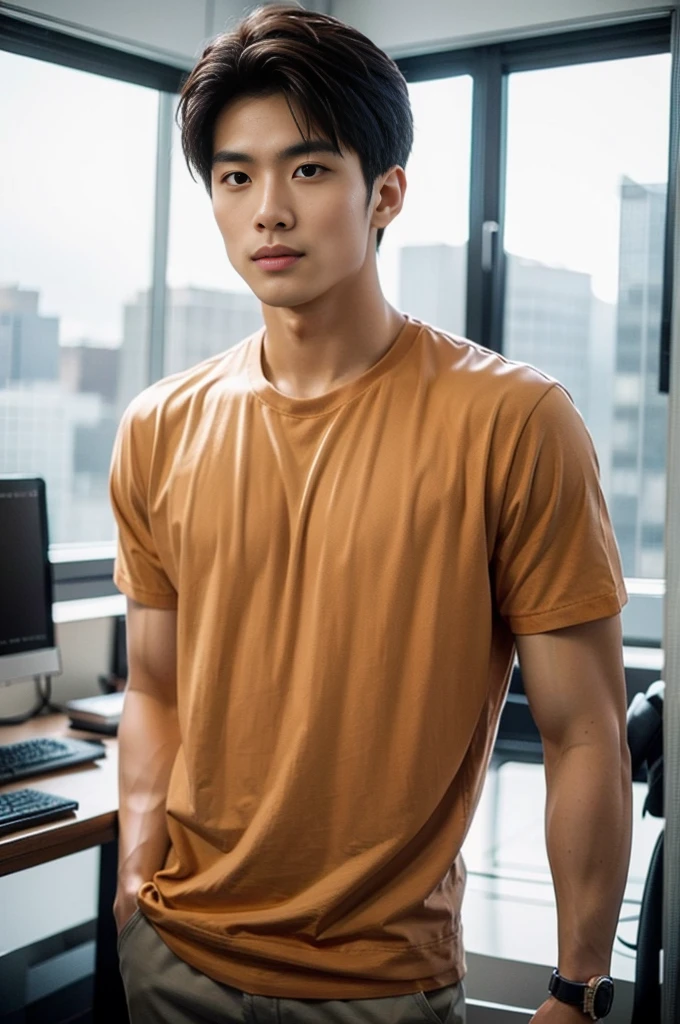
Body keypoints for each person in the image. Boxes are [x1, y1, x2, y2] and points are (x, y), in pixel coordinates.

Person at [109, 5, 633, 1023]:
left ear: (383, 191)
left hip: (380, 988)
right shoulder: (158, 425)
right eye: (234, 175)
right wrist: (136, 857)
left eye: (306, 169)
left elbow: (583, 733)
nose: (267, 209)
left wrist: (576, 986)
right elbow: (155, 685)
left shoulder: (513, 420)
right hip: (170, 960)